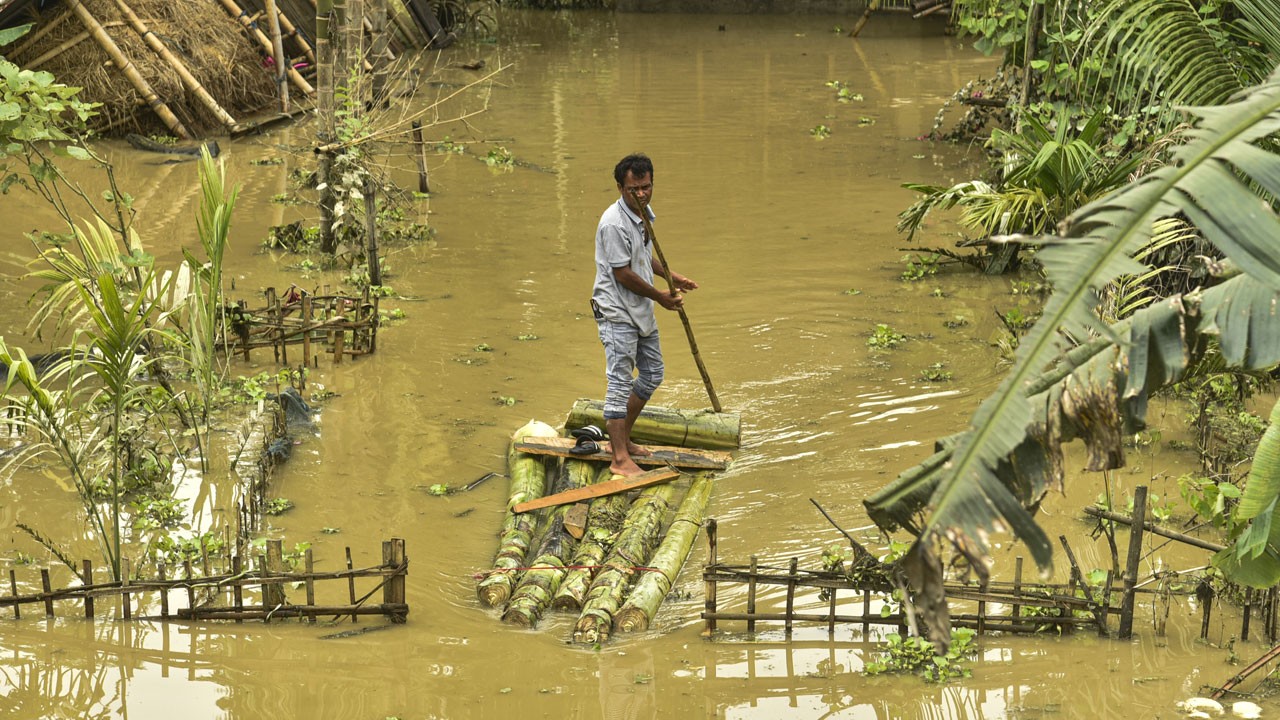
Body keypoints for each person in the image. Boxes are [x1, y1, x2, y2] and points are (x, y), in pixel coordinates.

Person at [590, 154, 698, 477]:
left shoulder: (641, 214)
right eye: (633, 189)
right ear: (620, 187)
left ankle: (621, 439)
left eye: (646, 187)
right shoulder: (613, 223)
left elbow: (642, 257)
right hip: (616, 310)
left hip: (639, 307)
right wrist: (660, 297)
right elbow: (622, 273)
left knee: (652, 373)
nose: (641, 194)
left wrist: (672, 277)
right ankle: (619, 459)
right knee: (620, 381)